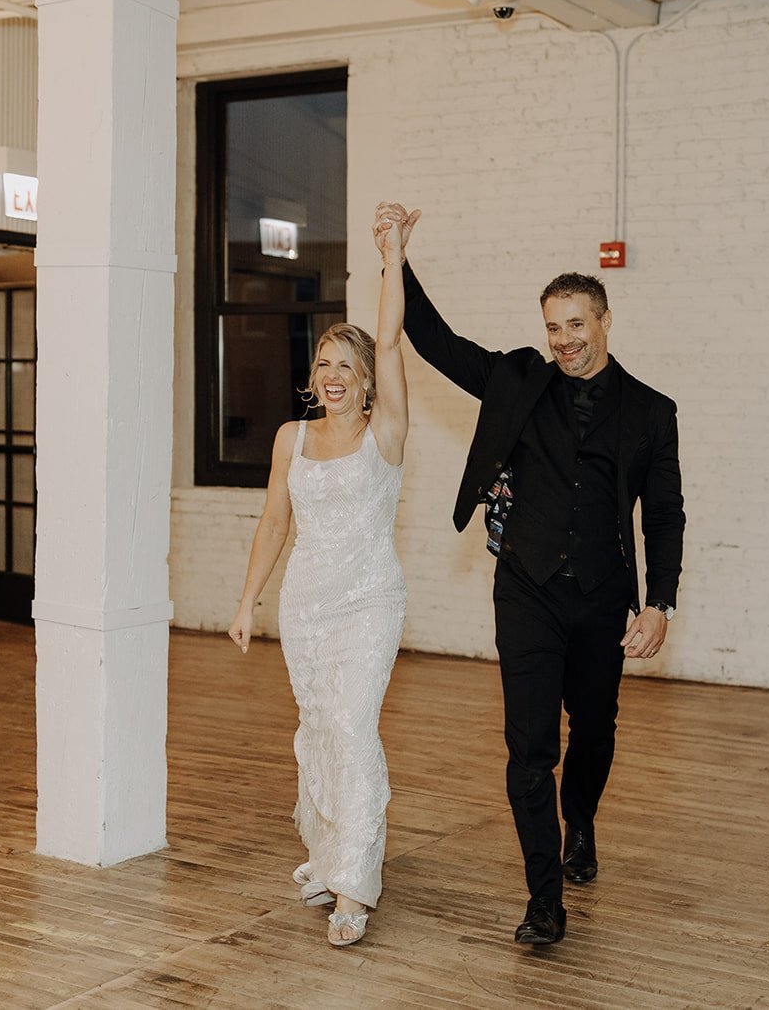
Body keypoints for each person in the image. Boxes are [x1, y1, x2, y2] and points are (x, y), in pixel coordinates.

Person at [380, 202, 685, 947]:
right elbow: (437, 342)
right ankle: (544, 898)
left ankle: (580, 818)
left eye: (575, 324)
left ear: (604, 320)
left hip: (605, 592)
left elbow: (666, 514)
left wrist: (660, 601)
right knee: (528, 747)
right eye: (554, 326)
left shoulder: (651, 411)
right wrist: (397, 256)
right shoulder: (518, 379)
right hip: (525, 586)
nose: (564, 340)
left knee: (597, 727)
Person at [226, 204, 421, 948]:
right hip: (306, 606)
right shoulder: (291, 437)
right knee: (318, 729)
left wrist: (392, 254)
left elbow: (396, 335)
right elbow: (275, 522)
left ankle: (354, 885)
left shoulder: (386, 433)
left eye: (347, 364)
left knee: (350, 726)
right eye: (323, 363)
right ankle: (328, 854)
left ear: (368, 379)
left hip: (370, 598)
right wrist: (249, 600)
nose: (332, 375)